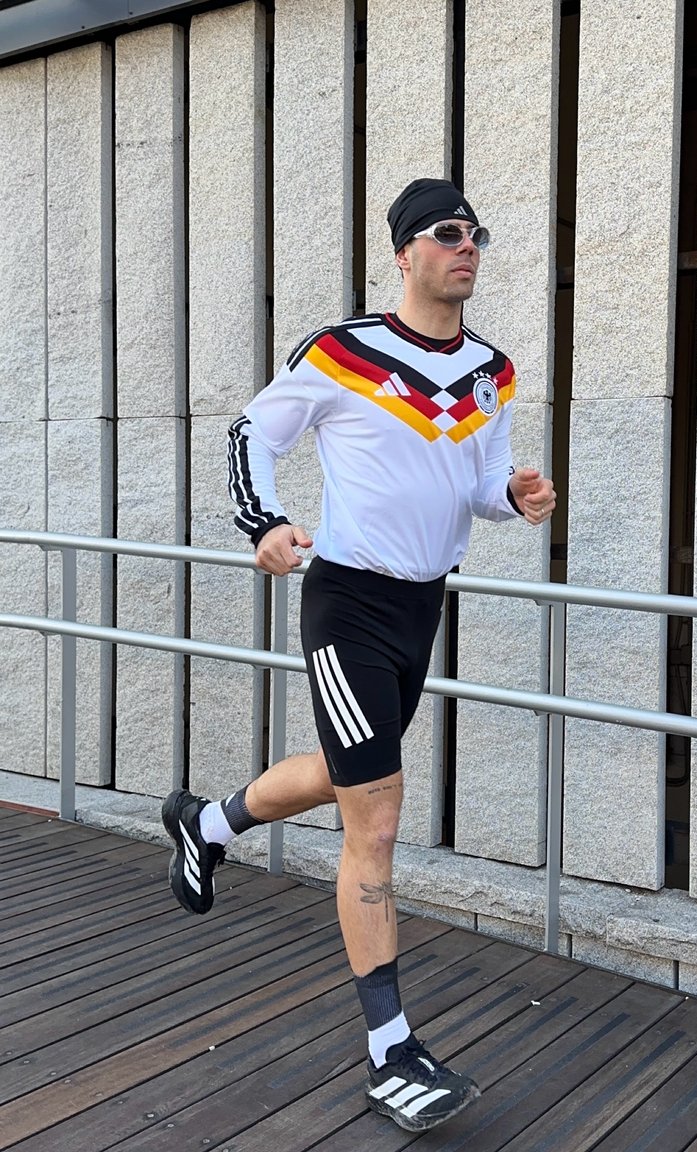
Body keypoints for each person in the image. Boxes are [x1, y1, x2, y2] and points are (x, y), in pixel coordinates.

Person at [161, 177, 556, 1133]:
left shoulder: (491, 373)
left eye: (477, 235)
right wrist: (264, 522)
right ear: (404, 251)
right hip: (347, 602)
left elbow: (477, 487)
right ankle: (391, 1049)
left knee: (352, 779)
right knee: (375, 820)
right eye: (449, 233)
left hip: (423, 606)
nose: (468, 248)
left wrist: (517, 495)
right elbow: (254, 429)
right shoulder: (343, 352)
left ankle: (207, 824)